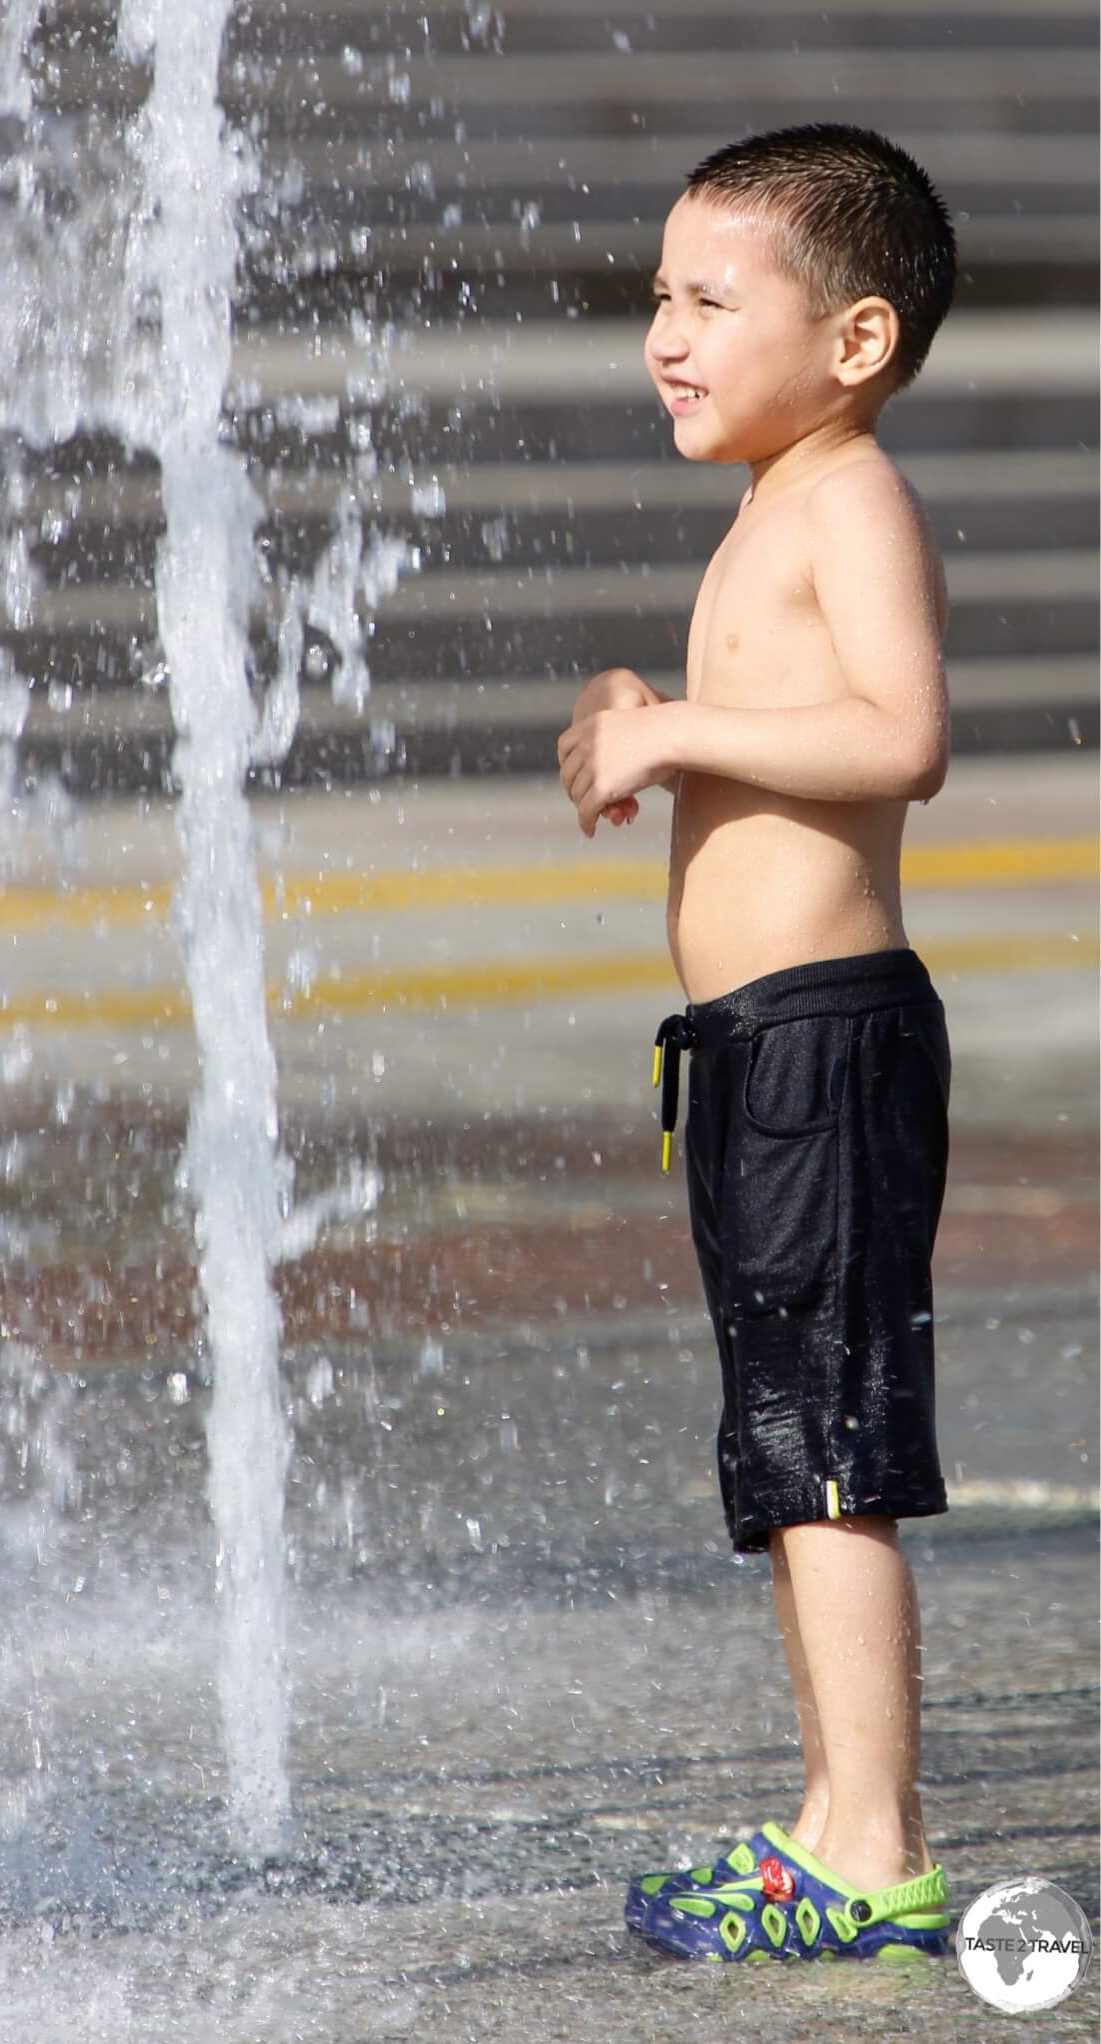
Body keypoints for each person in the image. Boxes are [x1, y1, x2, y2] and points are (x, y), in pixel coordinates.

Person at [556, 122, 959, 1965]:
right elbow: (788, 722)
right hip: (746, 1050)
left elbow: (895, 738)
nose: (667, 333)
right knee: (782, 1437)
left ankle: (875, 1844)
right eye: (659, 297)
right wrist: (663, 719)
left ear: (855, 340)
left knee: (831, 1451)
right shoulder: (768, 505)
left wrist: (678, 729)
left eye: (713, 299)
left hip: (823, 1048)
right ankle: (824, 1818)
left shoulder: (848, 497)